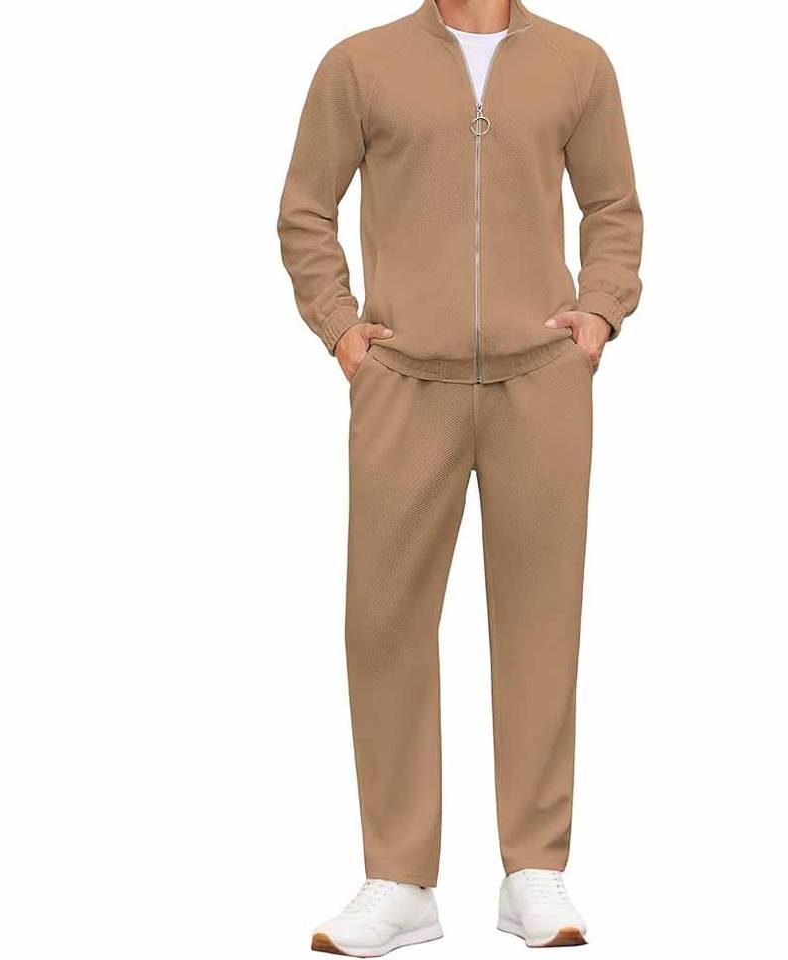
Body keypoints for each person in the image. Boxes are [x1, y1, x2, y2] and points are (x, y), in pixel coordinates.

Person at [278, 0, 642, 952]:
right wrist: (342, 329)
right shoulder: (360, 64)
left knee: (540, 620)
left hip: (542, 379)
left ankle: (534, 872)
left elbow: (613, 207)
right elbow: (305, 209)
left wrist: (600, 312)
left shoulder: (578, 63)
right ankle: (399, 880)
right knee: (384, 623)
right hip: (402, 380)